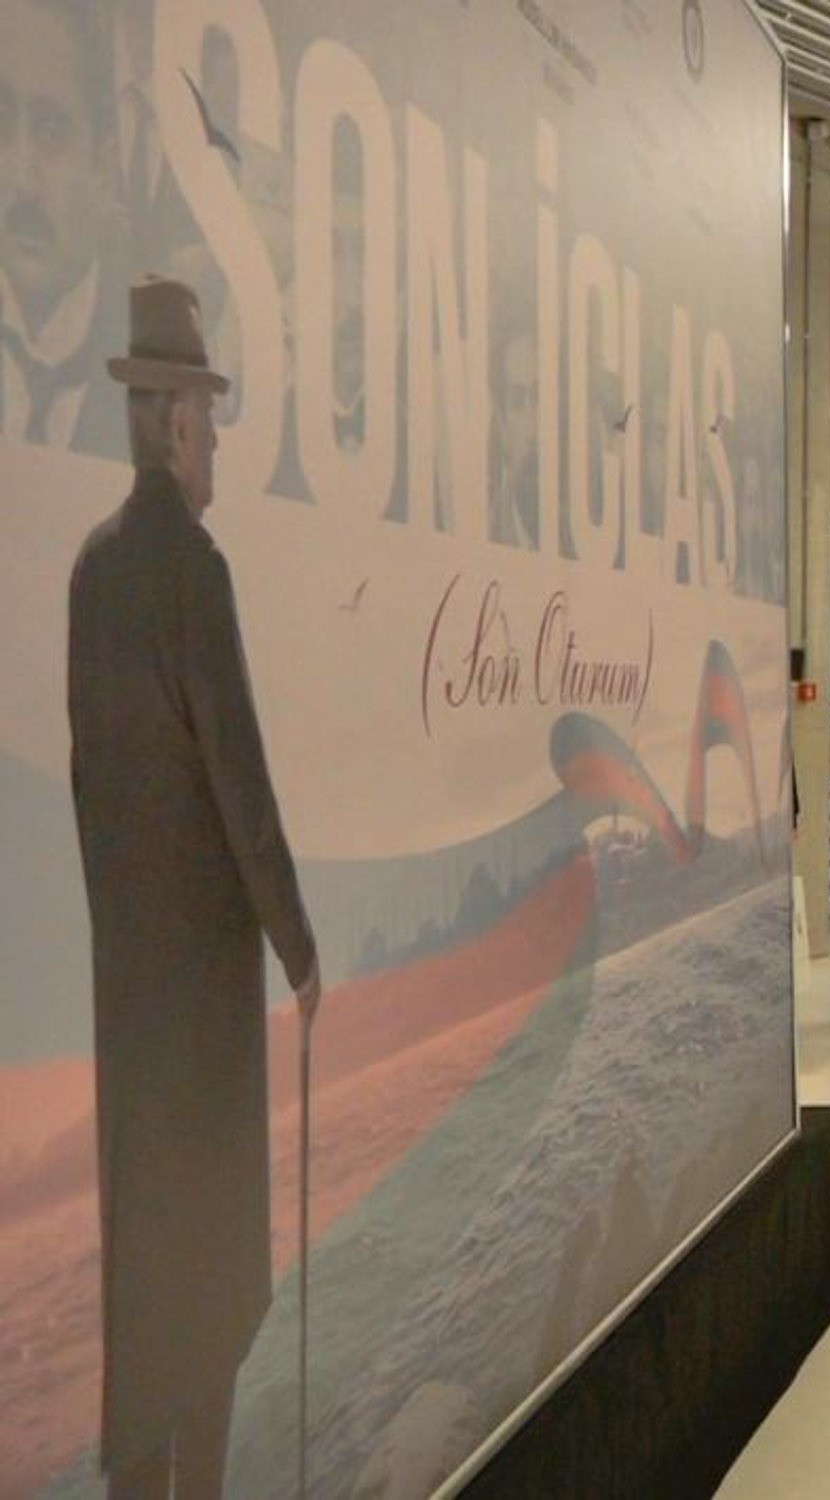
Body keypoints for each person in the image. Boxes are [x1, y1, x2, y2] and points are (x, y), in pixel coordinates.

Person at [68, 278, 322, 1499]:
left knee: (146, 1253)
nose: (215, 445)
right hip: (207, 991)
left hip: (131, 987)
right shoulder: (192, 568)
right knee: (214, 1258)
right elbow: (239, 780)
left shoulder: (93, 567)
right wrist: (298, 945)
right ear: (175, 423)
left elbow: (91, 789)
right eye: (209, 422)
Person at [1, 0, 121, 452]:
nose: (22, 181)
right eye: (1, 125)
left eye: (51, 132)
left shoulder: (160, 359)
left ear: (103, 169)